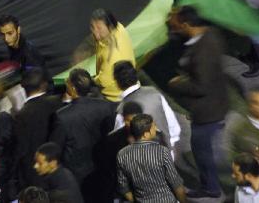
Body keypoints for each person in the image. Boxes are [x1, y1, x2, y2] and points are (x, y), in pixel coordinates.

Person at [166, 6, 229, 199]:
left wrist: (178, 84)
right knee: (206, 149)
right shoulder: (210, 35)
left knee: (202, 151)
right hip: (216, 104)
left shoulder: (203, 51)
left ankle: (211, 187)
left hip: (207, 111)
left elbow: (201, 86)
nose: (172, 25)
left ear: (186, 24)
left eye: (176, 22)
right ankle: (211, 183)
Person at [50, 69, 116, 201]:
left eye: (67, 82)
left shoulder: (62, 116)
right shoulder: (107, 106)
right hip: (105, 171)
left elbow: (55, 147)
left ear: (73, 88)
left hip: (78, 178)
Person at [116, 114, 187, 202]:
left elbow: (123, 188)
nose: (156, 129)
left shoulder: (122, 154)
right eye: (153, 127)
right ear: (146, 134)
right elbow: (176, 183)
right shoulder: (162, 151)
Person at [113, 61, 182, 151]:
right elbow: (173, 125)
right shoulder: (153, 92)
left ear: (117, 82)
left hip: (144, 160)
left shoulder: (122, 110)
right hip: (167, 150)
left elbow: (120, 142)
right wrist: (170, 146)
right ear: (135, 75)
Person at [14, 68, 62, 189]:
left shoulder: (21, 115)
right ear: (44, 84)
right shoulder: (58, 103)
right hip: (58, 169)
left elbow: (21, 151)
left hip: (34, 176)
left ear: (23, 87)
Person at [91, 8, 135, 101]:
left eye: (99, 28)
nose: (95, 32)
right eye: (92, 27)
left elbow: (103, 81)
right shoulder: (118, 27)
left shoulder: (112, 55)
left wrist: (91, 80)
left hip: (115, 98)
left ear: (110, 27)